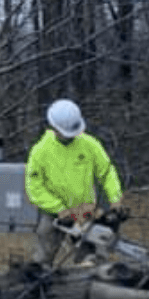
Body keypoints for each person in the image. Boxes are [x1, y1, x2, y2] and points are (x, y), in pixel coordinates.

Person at [25, 98, 124, 264]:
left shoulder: (89, 144)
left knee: (89, 259)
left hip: (85, 212)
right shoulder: (40, 151)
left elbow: (106, 172)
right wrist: (60, 209)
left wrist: (115, 199)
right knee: (42, 258)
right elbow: (35, 187)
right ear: (54, 127)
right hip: (55, 213)